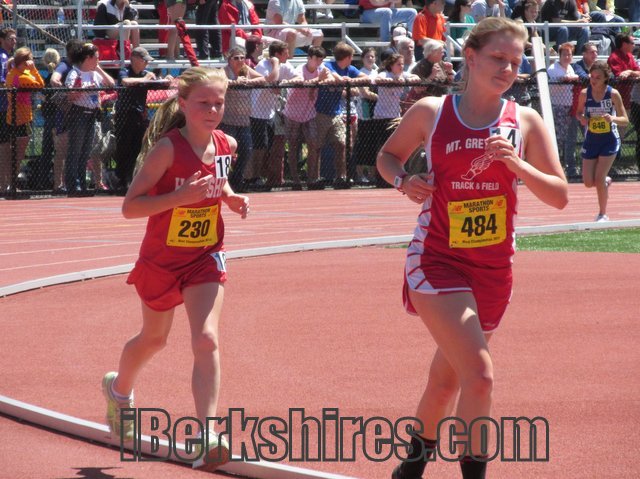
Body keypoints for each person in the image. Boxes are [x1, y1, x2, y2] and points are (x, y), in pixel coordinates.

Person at [376, 17, 568, 479]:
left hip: (494, 269)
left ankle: (410, 468)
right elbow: (387, 157)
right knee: (479, 376)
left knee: (446, 382)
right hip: (437, 259)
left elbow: (560, 195)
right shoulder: (432, 111)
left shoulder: (525, 120)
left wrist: (518, 165)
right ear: (472, 56)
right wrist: (404, 181)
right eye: (498, 58)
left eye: (515, 62)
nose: (507, 69)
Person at [102, 67, 249, 472]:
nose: (213, 110)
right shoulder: (166, 150)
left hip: (205, 256)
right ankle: (118, 391)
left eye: (219, 103)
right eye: (204, 103)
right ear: (183, 104)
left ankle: (209, 434)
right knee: (154, 339)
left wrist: (231, 198)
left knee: (206, 339)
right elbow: (130, 207)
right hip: (161, 261)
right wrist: (179, 197)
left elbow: (219, 183)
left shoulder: (227, 145)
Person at [575, 60, 628, 221]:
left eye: (598, 77)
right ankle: (605, 180)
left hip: (609, 140)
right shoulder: (585, 94)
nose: (593, 80)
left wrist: (612, 118)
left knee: (598, 179)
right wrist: (582, 118)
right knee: (588, 182)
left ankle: (602, 214)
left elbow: (625, 120)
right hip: (591, 139)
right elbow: (578, 113)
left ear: (606, 78)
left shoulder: (613, 94)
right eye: (592, 76)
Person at [313, 42, 369, 189]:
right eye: (351, 57)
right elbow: (335, 77)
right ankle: (314, 178)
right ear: (348, 57)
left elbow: (365, 77)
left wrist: (351, 80)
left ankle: (341, 177)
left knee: (341, 144)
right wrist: (344, 80)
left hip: (337, 113)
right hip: (321, 112)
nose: (352, 60)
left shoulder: (350, 69)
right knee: (317, 146)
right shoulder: (328, 65)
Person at [64, 43, 115, 196]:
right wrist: (84, 89)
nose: (98, 60)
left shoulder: (94, 73)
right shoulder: (75, 73)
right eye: (96, 58)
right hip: (78, 114)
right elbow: (70, 95)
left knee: (86, 151)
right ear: (88, 58)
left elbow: (111, 84)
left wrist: (98, 69)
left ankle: (82, 183)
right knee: (75, 150)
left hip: (92, 115)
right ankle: (73, 185)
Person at [113, 47, 163, 193]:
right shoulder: (125, 71)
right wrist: (144, 79)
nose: (146, 64)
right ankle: (121, 181)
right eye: (144, 60)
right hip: (125, 115)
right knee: (124, 148)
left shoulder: (144, 73)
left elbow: (158, 84)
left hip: (139, 116)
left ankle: (133, 180)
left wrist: (163, 80)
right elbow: (125, 81)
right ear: (134, 59)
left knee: (138, 148)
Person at [282, 46, 329, 189]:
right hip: (293, 113)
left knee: (313, 144)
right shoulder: (299, 69)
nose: (319, 62)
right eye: (316, 59)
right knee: (293, 146)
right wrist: (318, 80)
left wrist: (324, 79)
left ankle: (311, 179)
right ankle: (295, 179)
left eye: (321, 60)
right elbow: (302, 83)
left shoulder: (321, 69)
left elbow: (330, 78)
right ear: (309, 58)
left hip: (309, 114)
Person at [220, 46, 266, 192]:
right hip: (228, 120)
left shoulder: (246, 70)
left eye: (242, 57)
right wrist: (235, 82)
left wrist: (248, 82)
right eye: (236, 58)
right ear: (229, 60)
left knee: (246, 150)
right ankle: (222, 181)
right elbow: (221, 82)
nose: (240, 60)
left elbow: (263, 79)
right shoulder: (224, 71)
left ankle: (237, 180)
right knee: (225, 152)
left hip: (244, 120)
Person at [4, 47, 45, 191]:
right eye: (30, 60)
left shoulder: (12, 73)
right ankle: (11, 184)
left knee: (13, 153)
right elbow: (40, 84)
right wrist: (34, 70)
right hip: (22, 118)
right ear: (24, 61)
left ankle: (9, 183)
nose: (32, 62)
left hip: (12, 116)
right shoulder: (22, 77)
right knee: (18, 154)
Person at [548, 42, 580, 178]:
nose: (567, 57)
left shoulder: (570, 68)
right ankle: (555, 165)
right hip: (558, 106)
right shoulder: (553, 69)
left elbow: (576, 78)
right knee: (559, 138)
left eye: (569, 54)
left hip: (570, 106)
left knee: (570, 138)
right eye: (565, 54)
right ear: (559, 56)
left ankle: (569, 167)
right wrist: (563, 79)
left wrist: (571, 78)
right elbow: (553, 85)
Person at [0, 27, 17, 193]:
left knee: (7, 145)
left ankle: (5, 183)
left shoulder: (8, 57)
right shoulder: (3, 57)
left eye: (15, 39)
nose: (14, 42)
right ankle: (3, 185)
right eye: (10, 39)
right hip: (2, 107)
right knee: (4, 145)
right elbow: (3, 82)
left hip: (8, 107)